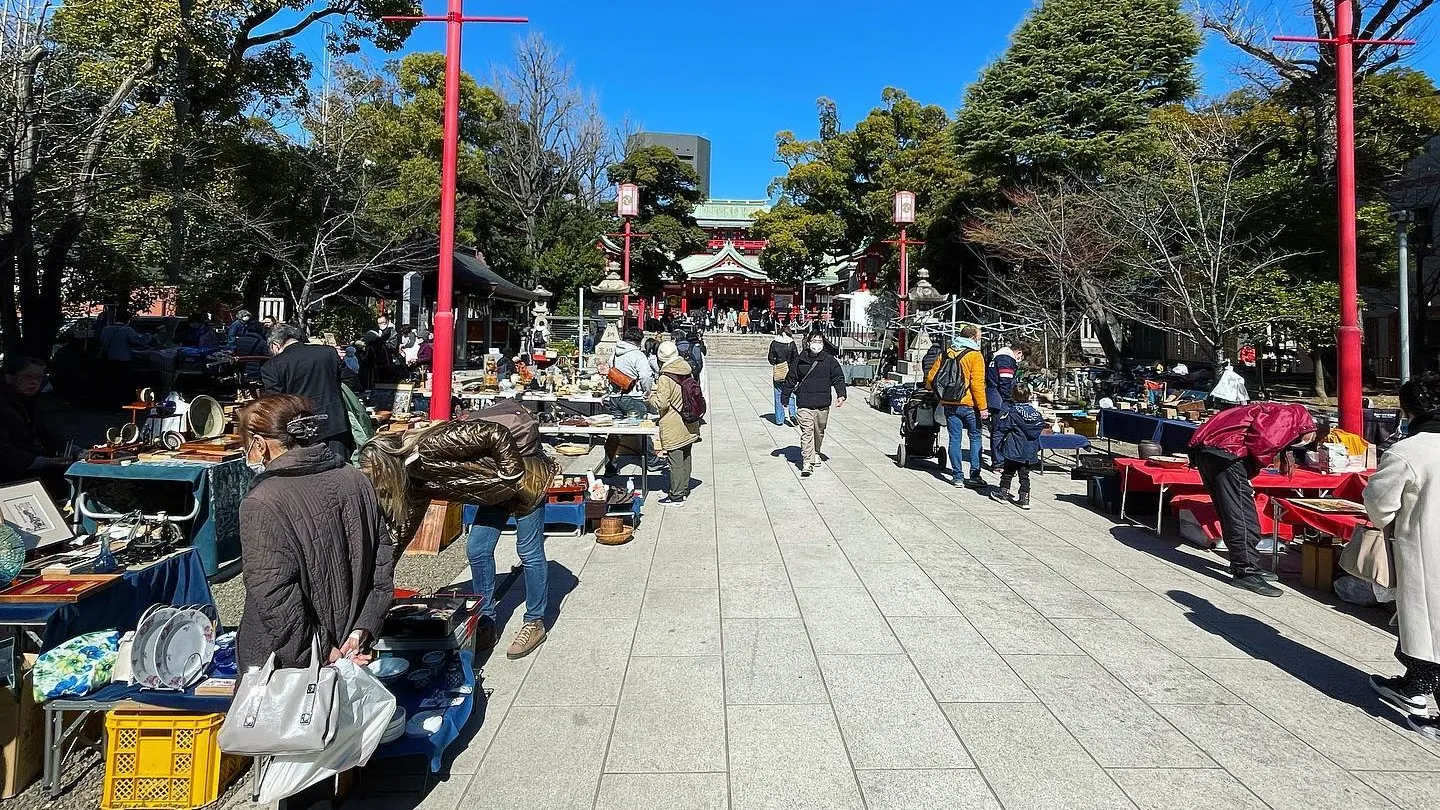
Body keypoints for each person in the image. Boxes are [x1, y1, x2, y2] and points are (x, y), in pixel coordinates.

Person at [236, 393, 394, 670]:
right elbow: (382, 562)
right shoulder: (354, 477)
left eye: (247, 446)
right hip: (349, 639)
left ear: (260, 445)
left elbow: (274, 595)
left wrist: (321, 650)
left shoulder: (262, 501)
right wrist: (362, 628)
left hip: (288, 662)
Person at [1365, 372, 1440, 741]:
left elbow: (1379, 505)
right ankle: (1414, 684)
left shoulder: (1409, 451)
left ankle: (1425, 702)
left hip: (1427, 550)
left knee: (1429, 627)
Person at [1187, 402, 1317, 596]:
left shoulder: (1269, 410)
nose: (1303, 443)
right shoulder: (1289, 416)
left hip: (1210, 452)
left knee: (1231, 513)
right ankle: (1245, 571)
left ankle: (1246, 564)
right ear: (1307, 428)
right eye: (1307, 439)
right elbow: (1265, 441)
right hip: (1227, 455)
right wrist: (1254, 467)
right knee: (1242, 516)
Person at [458, 399, 554, 659]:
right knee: (477, 547)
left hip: (529, 481)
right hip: (498, 483)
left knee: (529, 550)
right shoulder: (468, 437)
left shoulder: (471, 437)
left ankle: (535, 621)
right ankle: (486, 619)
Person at [261, 323, 360, 462]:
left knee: (309, 477)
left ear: (275, 345)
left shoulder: (272, 366)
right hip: (335, 423)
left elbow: (277, 403)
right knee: (340, 471)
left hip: (301, 431)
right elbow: (350, 378)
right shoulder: (327, 352)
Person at [925, 325, 989, 489]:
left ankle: (957, 477)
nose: (980, 338)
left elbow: (931, 377)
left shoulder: (946, 353)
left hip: (949, 403)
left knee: (955, 439)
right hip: (968, 404)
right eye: (979, 336)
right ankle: (974, 476)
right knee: (975, 437)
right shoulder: (975, 356)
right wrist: (983, 407)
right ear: (973, 337)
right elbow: (977, 385)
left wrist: (938, 394)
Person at [0, 357, 72, 490]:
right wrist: (43, 462)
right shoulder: (4, 405)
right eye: (27, 377)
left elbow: (44, 432)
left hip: (29, 460)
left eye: (39, 378)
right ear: (9, 378)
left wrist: (73, 449)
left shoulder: (27, 400)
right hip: (11, 472)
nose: (34, 382)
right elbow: (4, 452)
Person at [781, 331, 846, 477]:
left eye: (820, 341)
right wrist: (785, 397)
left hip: (822, 404)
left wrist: (841, 394)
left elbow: (838, 378)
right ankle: (807, 462)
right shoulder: (800, 359)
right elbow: (791, 379)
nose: (817, 343)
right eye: (814, 340)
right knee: (807, 432)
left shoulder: (830, 360)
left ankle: (816, 452)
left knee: (819, 431)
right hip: (804, 403)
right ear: (808, 342)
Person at [649, 341, 701, 505]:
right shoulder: (686, 369)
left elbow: (662, 403)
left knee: (675, 460)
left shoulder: (666, 377)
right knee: (686, 455)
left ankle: (676, 495)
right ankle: (684, 488)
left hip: (674, 422)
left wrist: (651, 398)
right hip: (689, 420)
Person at [604, 329, 657, 476]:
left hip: (614, 397)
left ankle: (610, 465)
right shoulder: (637, 355)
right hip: (632, 396)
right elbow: (646, 376)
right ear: (639, 341)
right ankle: (652, 461)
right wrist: (646, 391)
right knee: (642, 430)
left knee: (615, 432)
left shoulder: (615, 353)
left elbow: (609, 372)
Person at [989, 382, 1045, 510]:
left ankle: (1003, 493)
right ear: (1029, 396)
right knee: (1024, 475)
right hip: (1029, 451)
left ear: (1012, 396)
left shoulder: (1013, 412)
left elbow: (1003, 426)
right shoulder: (1036, 414)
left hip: (1014, 448)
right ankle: (1024, 498)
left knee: (1008, 472)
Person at [986, 340, 1027, 467]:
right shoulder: (1006, 360)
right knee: (999, 431)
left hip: (994, 398)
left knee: (997, 430)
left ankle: (999, 460)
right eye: (1022, 356)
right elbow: (1005, 382)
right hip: (1001, 401)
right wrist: (1011, 398)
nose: (1020, 359)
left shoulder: (996, 357)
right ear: (1019, 352)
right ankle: (999, 462)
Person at [769, 327, 800, 427]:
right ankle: (793, 414)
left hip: (778, 371)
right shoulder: (791, 343)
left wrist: (777, 363)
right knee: (790, 393)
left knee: (778, 394)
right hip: (789, 372)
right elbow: (796, 358)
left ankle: (779, 419)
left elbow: (770, 358)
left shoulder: (774, 342)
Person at [231, 320, 271, 386]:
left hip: (241, 371)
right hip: (256, 371)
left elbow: (235, 351)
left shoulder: (239, 340)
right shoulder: (261, 342)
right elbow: (267, 355)